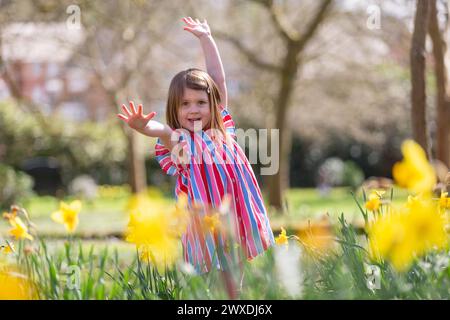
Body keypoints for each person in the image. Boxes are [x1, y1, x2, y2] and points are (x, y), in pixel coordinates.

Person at [117, 17, 274, 297]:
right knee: (213, 273)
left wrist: (206, 39)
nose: (194, 109)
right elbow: (163, 131)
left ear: (213, 104)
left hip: (237, 212)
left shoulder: (222, 127)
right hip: (205, 221)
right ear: (175, 110)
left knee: (239, 270)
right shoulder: (182, 143)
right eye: (185, 104)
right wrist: (144, 127)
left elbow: (217, 78)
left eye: (201, 102)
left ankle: (238, 298)